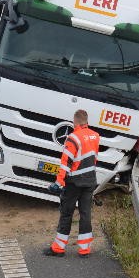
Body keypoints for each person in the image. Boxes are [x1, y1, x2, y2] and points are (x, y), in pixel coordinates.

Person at [44, 109, 100, 258]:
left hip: (74, 182)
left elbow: (66, 163)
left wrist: (58, 182)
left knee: (66, 213)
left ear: (75, 121)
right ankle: (84, 250)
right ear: (86, 121)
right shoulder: (95, 136)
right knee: (85, 214)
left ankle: (58, 248)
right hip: (90, 181)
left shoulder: (73, 138)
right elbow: (94, 159)